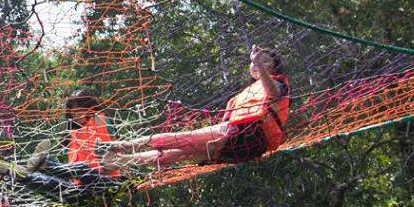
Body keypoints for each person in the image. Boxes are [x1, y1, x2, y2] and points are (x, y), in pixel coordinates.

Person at [101, 46, 290, 171]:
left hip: (245, 136)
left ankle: (121, 146)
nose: (258, 64)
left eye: (265, 62)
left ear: (274, 68)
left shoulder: (278, 84)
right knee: (175, 154)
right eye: (256, 61)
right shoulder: (248, 92)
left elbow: (273, 93)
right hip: (239, 149)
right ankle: (118, 162)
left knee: (179, 140)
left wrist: (259, 65)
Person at [0, 90, 127, 202]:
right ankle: (14, 172)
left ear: (89, 109)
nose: (76, 114)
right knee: (52, 185)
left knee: (81, 169)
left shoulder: (100, 120)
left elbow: (116, 148)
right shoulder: (72, 134)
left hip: (106, 181)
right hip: (85, 190)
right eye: (73, 112)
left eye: (80, 110)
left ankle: (46, 165)